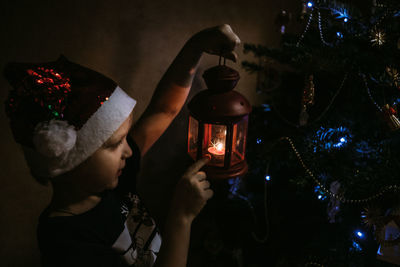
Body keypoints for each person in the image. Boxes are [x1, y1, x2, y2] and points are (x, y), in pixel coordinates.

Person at [3, 24, 241, 267]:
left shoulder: (111, 180)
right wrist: (182, 217)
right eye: (115, 144)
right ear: (70, 160)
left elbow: (163, 110)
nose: (129, 151)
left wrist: (197, 45)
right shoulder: (66, 244)